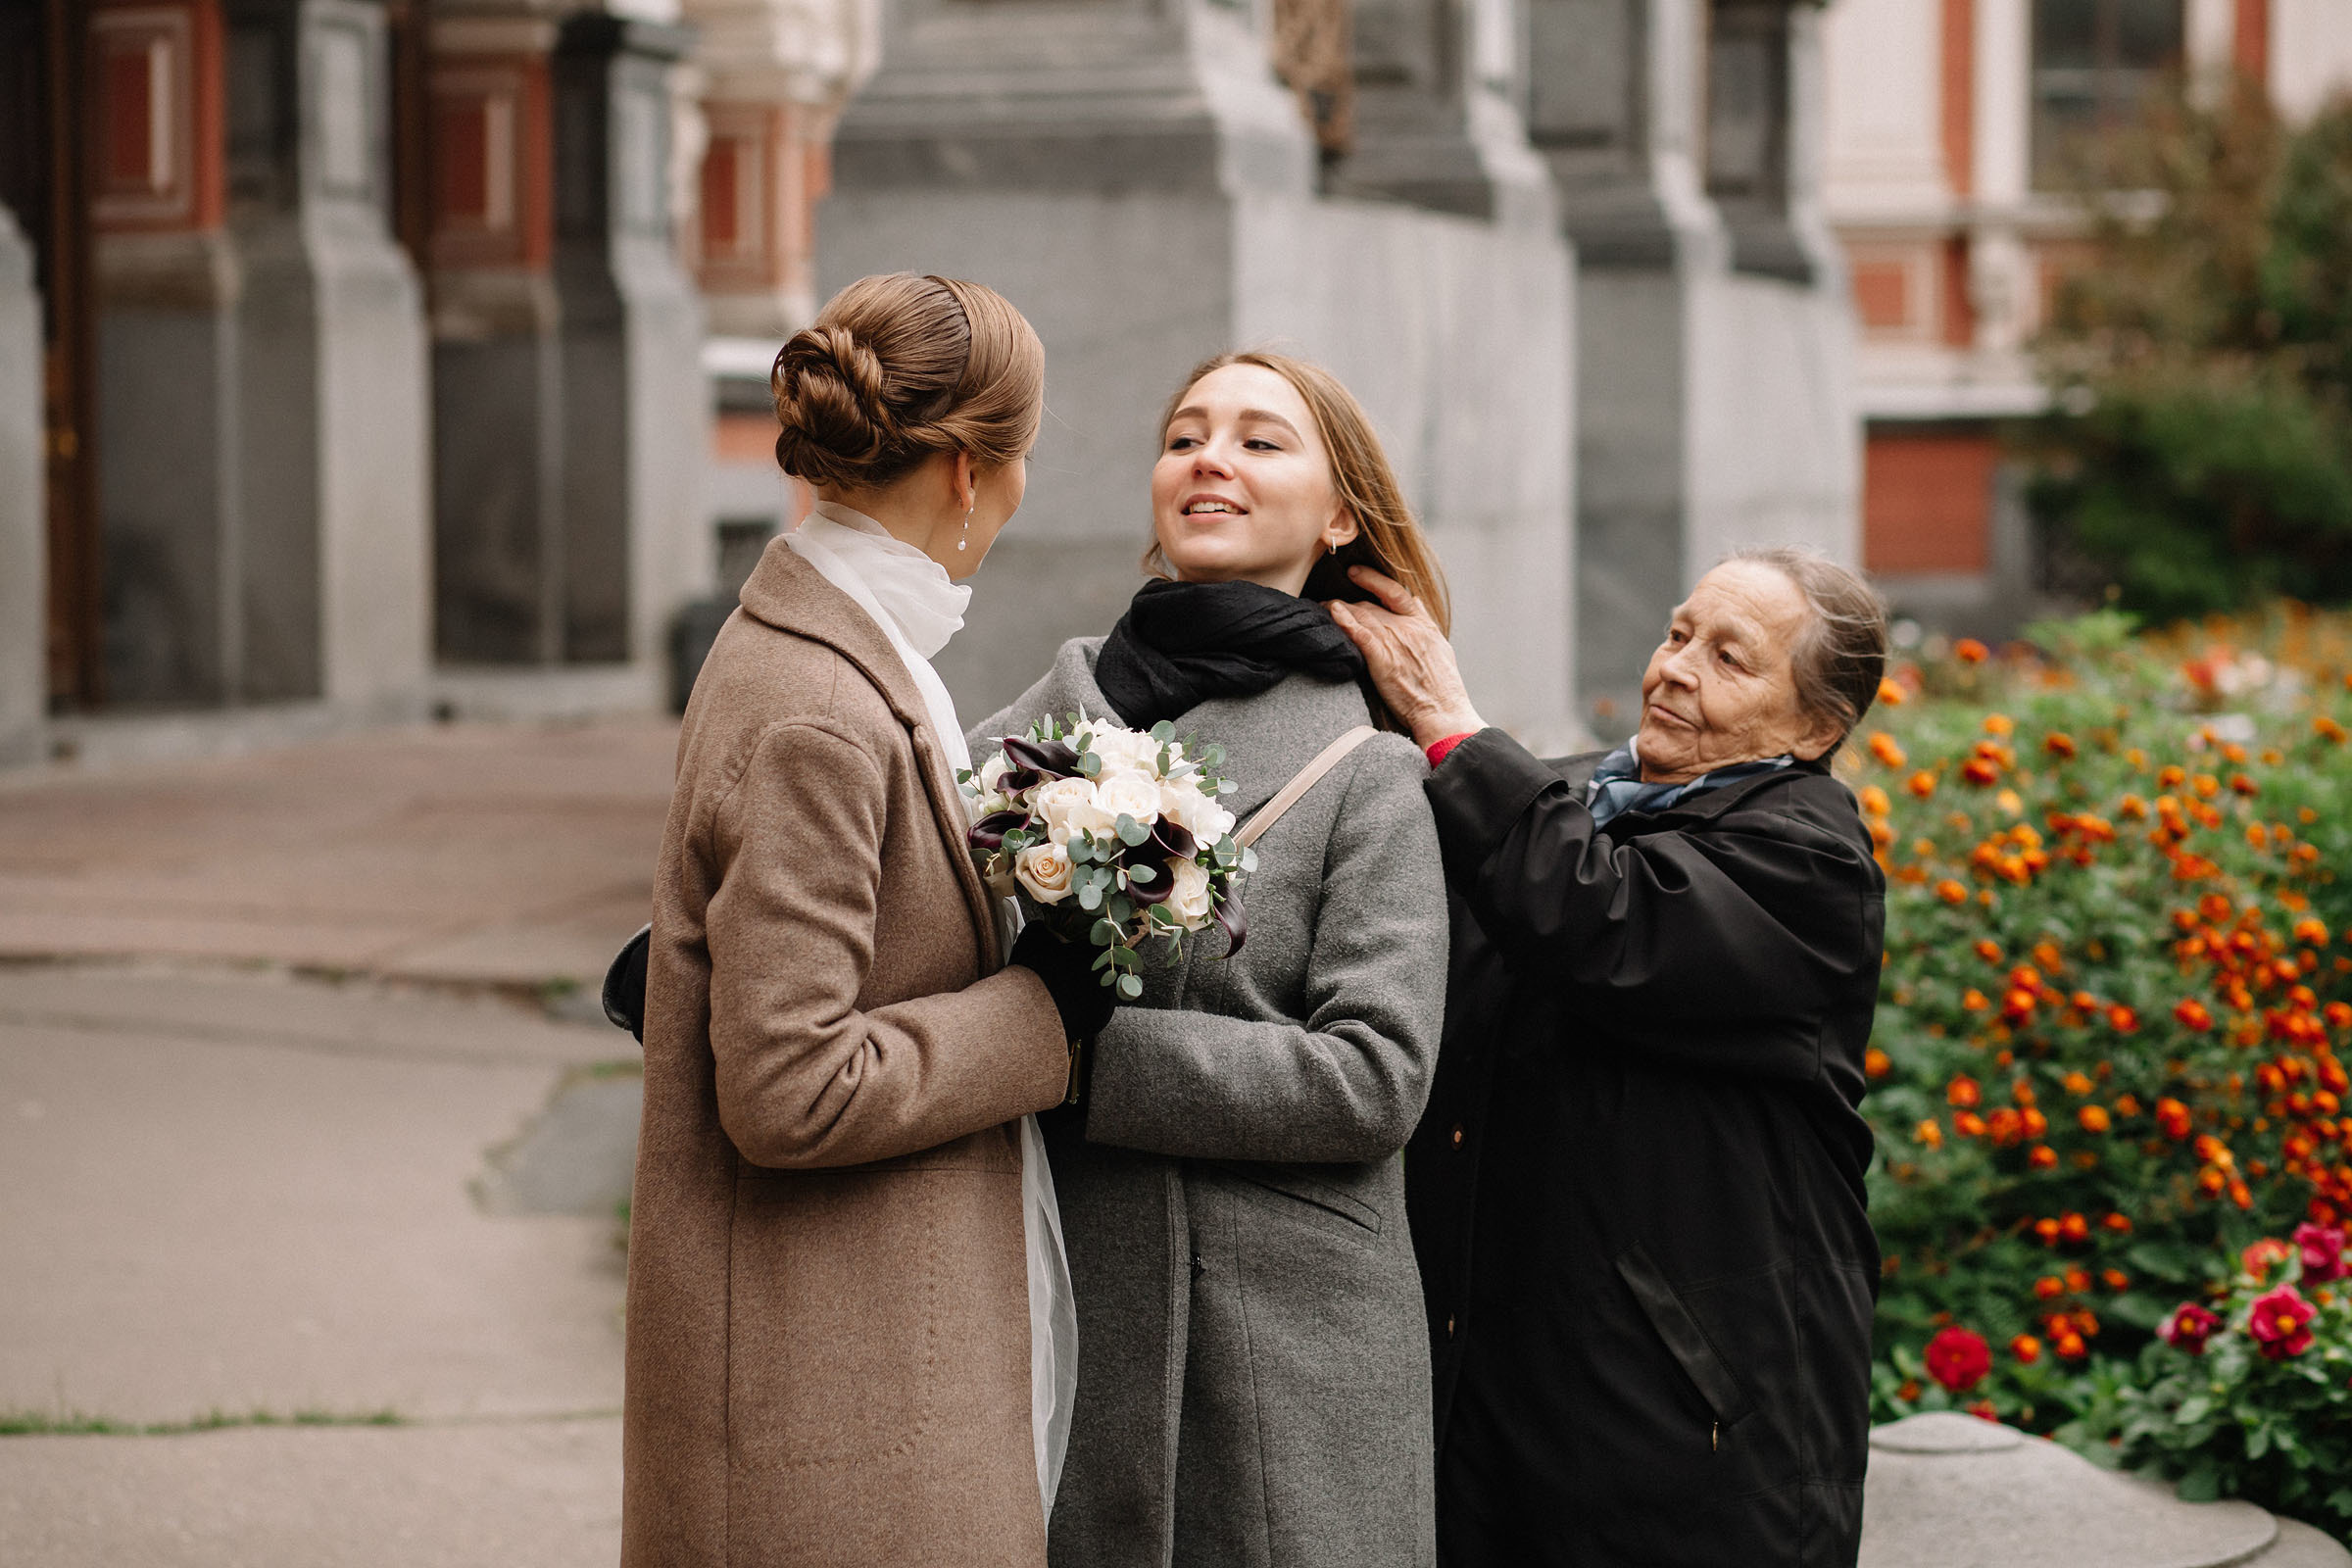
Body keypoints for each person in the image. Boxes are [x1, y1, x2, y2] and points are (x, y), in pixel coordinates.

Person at [622, 273, 1117, 1568]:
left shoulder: (847, 650)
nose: (1021, 493)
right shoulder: (816, 704)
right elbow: (789, 1086)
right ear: (964, 472)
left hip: (859, 1363)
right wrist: (1042, 1014)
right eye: (1022, 455)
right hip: (823, 1402)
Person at [973, 351, 1448, 1568]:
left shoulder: (1369, 767)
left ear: (1340, 515)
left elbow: (1375, 1076)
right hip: (1052, 1294)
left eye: (1259, 438)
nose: (1209, 458)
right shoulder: (1048, 719)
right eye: (1185, 434)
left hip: (1281, 1348)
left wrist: (1078, 1056)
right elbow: (892, 869)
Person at [1329, 549, 1890, 1568]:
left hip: (1694, 1423)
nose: (1676, 668)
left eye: (1731, 659)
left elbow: (1601, 918)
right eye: (1679, 633)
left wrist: (1452, 719)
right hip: (1519, 1388)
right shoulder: (1584, 800)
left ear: (1816, 730)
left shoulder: (1810, 859)